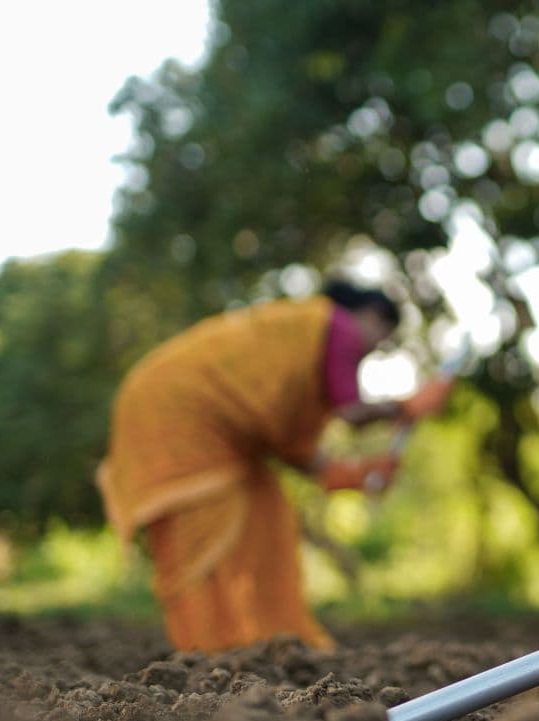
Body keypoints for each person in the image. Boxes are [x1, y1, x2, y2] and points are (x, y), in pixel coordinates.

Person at [96, 279, 456, 652]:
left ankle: (266, 645)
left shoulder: (298, 343)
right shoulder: (338, 326)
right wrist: (406, 406)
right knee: (201, 544)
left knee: (265, 513)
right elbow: (351, 412)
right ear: (370, 314)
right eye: (383, 335)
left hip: (170, 410)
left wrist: (348, 473)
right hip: (178, 421)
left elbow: (287, 444)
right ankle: (207, 654)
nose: (376, 349)